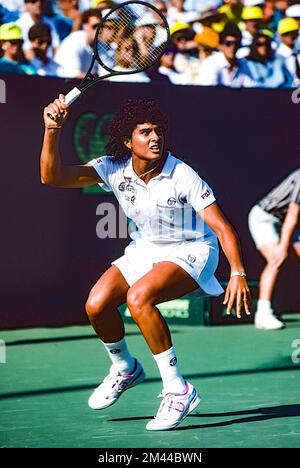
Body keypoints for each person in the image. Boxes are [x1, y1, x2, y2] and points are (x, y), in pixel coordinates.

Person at [40, 96, 251, 431]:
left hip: (192, 249)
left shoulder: (182, 174)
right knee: (96, 305)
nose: (155, 137)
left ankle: (178, 390)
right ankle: (125, 367)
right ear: (128, 140)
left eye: (158, 131)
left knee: (139, 298)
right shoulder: (112, 167)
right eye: (145, 132)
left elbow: (222, 226)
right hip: (145, 248)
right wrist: (52, 130)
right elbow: (52, 177)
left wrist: (237, 271)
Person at [248, 169, 300, 330]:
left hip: (286, 222)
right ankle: (263, 314)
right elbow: (293, 213)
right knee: (276, 258)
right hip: (265, 218)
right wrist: (283, 246)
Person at [196, 22, 254, 87]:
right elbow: (208, 93)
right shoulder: (210, 63)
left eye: (236, 43)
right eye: (228, 43)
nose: (233, 47)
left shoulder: (242, 63)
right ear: (221, 45)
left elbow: (251, 88)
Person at [54, 8, 102, 78]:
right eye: (95, 26)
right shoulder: (74, 41)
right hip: (58, 82)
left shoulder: (100, 44)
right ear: (85, 26)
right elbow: (75, 74)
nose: (99, 30)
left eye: (101, 26)